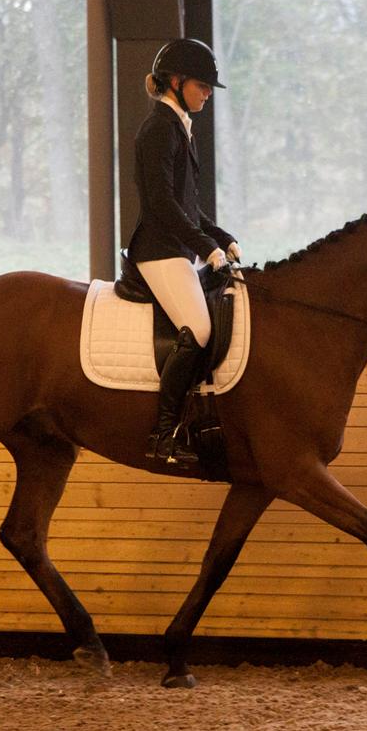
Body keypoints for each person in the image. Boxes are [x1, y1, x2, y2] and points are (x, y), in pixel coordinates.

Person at [127, 38, 241, 466]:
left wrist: (220, 236)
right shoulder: (158, 129)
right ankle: (163, 433)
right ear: (176, 82)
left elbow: (188, 205)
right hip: (158, 249)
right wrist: (204, 247)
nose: (208, 92)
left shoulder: (178, 126)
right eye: (202, 85)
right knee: (199, 327)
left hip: (176, 247)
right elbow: (162, 205)